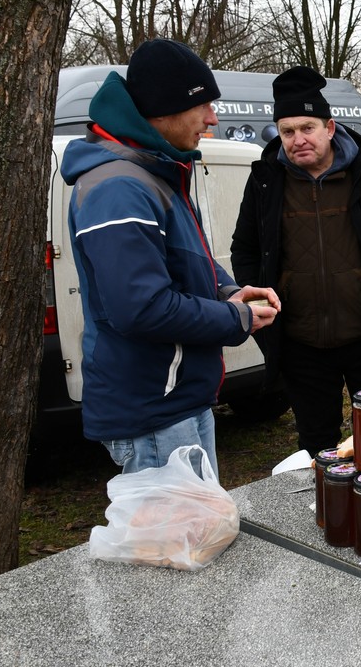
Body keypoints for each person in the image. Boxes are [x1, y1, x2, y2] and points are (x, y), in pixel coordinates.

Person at [62, 38, 280, 478]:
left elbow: (185, 259)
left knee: (201, 540)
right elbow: (142, 308)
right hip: (153, 412)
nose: (213, 119)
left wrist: (229, 290)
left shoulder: (155, 171)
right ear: (163, 110)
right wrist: (235, 319)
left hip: (177, 399)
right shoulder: (119, 188)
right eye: (203, 106)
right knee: (179, 547)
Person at [231, 66, 361, 456]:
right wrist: (262, 301)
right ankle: (329, 514)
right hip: (300, 343)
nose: (298, 139)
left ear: (330, 128)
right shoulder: (266, 182)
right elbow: (245, 247)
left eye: (307, 128)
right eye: (287, 131)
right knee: (317, 447)